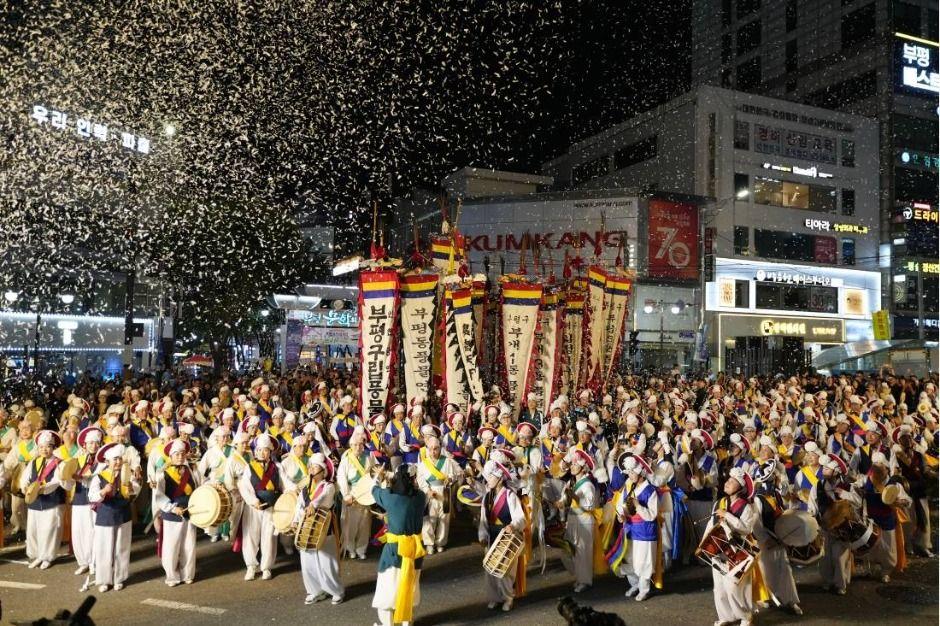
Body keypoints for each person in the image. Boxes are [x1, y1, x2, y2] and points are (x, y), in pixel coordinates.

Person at [371, 464, 427, 626]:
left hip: (395, 552)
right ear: (413, 480)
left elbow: (373, 489)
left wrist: (380, 477)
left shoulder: (389, 497)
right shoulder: (421, 497)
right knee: (409, 587)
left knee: (388, 591)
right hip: (415, 551)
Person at [708, 467, 759, 626]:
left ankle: (745, 616)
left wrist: (727, 515)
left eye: (732, 482)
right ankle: (726, 616)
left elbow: (746, 529)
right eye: (728, 480)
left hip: (739, 550)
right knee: (719, 587)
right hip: (718, 547)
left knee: (733, 585)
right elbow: (711, 524)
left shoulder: (747, 506)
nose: (728, 483)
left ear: (741, 487)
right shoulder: (719, 502)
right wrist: (705, 545)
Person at [90, 442, 141, 592]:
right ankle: (104, 580)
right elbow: (92, 496)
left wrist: (133, 489)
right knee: (104, 549)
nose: (118, 462)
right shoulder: (99, 477)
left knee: (122, 548)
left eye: (119, 459)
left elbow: (135, 490)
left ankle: (119, 578)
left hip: (124, 515)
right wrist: (103, 492)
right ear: (107, 462)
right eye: (114, 459)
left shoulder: (127, 474)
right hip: (105, 516)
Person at [294, 453, 344, 605]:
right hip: (307, 528)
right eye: (310, 466)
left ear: (323, 471)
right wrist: (295, 520)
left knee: (327, 562)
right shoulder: (305, 488)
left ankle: (336, 591)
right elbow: (299, 505)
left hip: (325, 528)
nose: (311, 469)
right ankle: (315, 591)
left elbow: (324, 499)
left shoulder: (329, 486)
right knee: (307, 563)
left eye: (315, 467)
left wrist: (313, 505)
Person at [478, 459, 526, 612]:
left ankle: (508, 597)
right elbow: (483, 519)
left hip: (506, 537)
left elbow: (520, 517)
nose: (488, 480)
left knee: (505, 571)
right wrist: (483, 535)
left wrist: (513, 525)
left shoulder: (510, 496)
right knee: (490, 571)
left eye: (491, 477)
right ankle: (494, 598)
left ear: (499, 478)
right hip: (491, 536)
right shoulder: (487, 497)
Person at [237, 433, 287, 580]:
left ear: (270, 452)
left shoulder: (277, 466)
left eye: (265, 450)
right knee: (250, 537)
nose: (262, 453)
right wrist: (253, 501)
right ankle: (251, 566)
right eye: (259, 450)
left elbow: (285, 483)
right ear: (255, 452)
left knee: (269, 538)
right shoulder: (249, 467)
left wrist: (293, 490)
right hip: (254, 508)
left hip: (271, 507)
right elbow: (244, 487)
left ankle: (266, 567)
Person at [154, 439, 201, 586]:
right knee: (171, 546)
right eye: (176, 454)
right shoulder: (162, 474)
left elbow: (199, 487)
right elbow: (159, 496)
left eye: (182, 453)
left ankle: (188, 574)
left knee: (189, 545)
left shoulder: (192, 470)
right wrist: (173, 508)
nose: (180, 456)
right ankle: (172, 576)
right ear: (171, 456)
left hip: (189, 512)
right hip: (172, 513)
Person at [615, 454, 659, 602]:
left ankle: (644, 588)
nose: (630, 475)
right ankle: (635, 584)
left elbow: (652, 515)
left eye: (632, 472)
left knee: (644, 562)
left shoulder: (650, 491)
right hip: (630, 529)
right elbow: (622, 507)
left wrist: (638, 506)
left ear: (640, 472)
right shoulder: (630, 488)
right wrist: (621, 516)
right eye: (629, 473)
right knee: (628, 560)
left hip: (645, 532)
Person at [22, 430, 66, 569]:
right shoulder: (34, 462)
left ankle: (48, 556)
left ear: (53, 447)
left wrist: (41, 489)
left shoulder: (59, 463)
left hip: (52, 501)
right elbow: (25, 478)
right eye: (41, 447)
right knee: (33, 530)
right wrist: (26, 487)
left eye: (47, 446)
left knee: (49, 530)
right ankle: (37, 555)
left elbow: (56, 481)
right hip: (35, 502)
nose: (44, 450)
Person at [64, 426, 104, 576]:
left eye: (96, 443)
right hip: (79, 499)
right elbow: (69, 479)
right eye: (90, 443)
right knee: (78, 532)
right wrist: (68, 476)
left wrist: (83, 478)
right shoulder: (78, 460)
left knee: (93, 532)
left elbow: (98, 479)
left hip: (95, 502)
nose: (93, 446)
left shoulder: (102, 462)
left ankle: (94, 562)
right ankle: (83, 562)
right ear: (85, 445)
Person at [560, 449, 598, 593]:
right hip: (573, 518)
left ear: (583, 467)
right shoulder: (572, 482)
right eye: (572, 464)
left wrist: (574, 497)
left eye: (576, 465)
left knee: (583, 552)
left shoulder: (588, 485)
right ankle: (579, 577)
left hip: (584, 520)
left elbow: (589, 505)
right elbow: (566, 501)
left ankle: (585, 580)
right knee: (571, 551)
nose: (572, 467)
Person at [416, 435, 462, 554]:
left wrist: (450, 479)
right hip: (430, 493)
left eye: (436, 448)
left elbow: (453, 475)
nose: (433, 451)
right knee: (429, 519)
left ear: (440, 448)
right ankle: (429, 543)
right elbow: (420, 480)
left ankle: (441, 542)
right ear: (427, 449)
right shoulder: (423, 464)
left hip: (444, 491)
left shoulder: (446, 461)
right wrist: (427, 490)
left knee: (444, 518)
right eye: (430, 448)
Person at [337, 427, 375, 560]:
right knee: (351, 523)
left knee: (365, 523)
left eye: (361, 444)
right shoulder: (346, 460)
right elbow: (341, 479)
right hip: (352, 494)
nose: (358, 447)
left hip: (366, 493)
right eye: (356, 444)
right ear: (351, 445)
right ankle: (350, 547)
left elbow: (375, 472)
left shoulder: (369, 456)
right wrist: (347, 495)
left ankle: (361, 548)